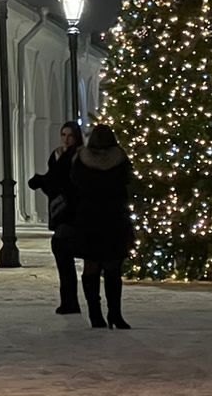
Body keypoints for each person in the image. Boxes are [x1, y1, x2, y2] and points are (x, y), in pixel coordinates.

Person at [70, 124, 134, 330]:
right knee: (113, 267)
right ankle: (115, 313)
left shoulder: (81, 160)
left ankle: (95, 314)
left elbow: (75, 185)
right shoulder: (120, 160)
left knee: (91, 266)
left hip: (89, 218)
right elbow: (127, 183)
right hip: (114, 218)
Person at [27, 121, 84, 314]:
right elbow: (54, 180)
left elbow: (63, 181)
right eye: (63, 135)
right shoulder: (57, 154)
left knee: (63, 254)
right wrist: (44, 181)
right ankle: (68, 301)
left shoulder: (78, 156)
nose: (66, 139)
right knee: (63, 259)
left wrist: (42, 181)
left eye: (70, 136)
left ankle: (70, 302)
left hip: (72, 213)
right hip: (59, 209)